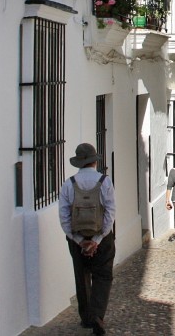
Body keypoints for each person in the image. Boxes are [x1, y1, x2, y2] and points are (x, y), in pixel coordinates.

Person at [59, 143, 116, 335]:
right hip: (102, 236)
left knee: (82, 276)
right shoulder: (104, 181)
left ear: (79, 163)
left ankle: (86, 318)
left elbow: (64, 216)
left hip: (78, 238)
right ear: (94, 161)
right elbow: (110, 212)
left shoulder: (69, 184)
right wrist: (98, 239)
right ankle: (97, 316)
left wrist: (78, 240)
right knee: (103, 276)